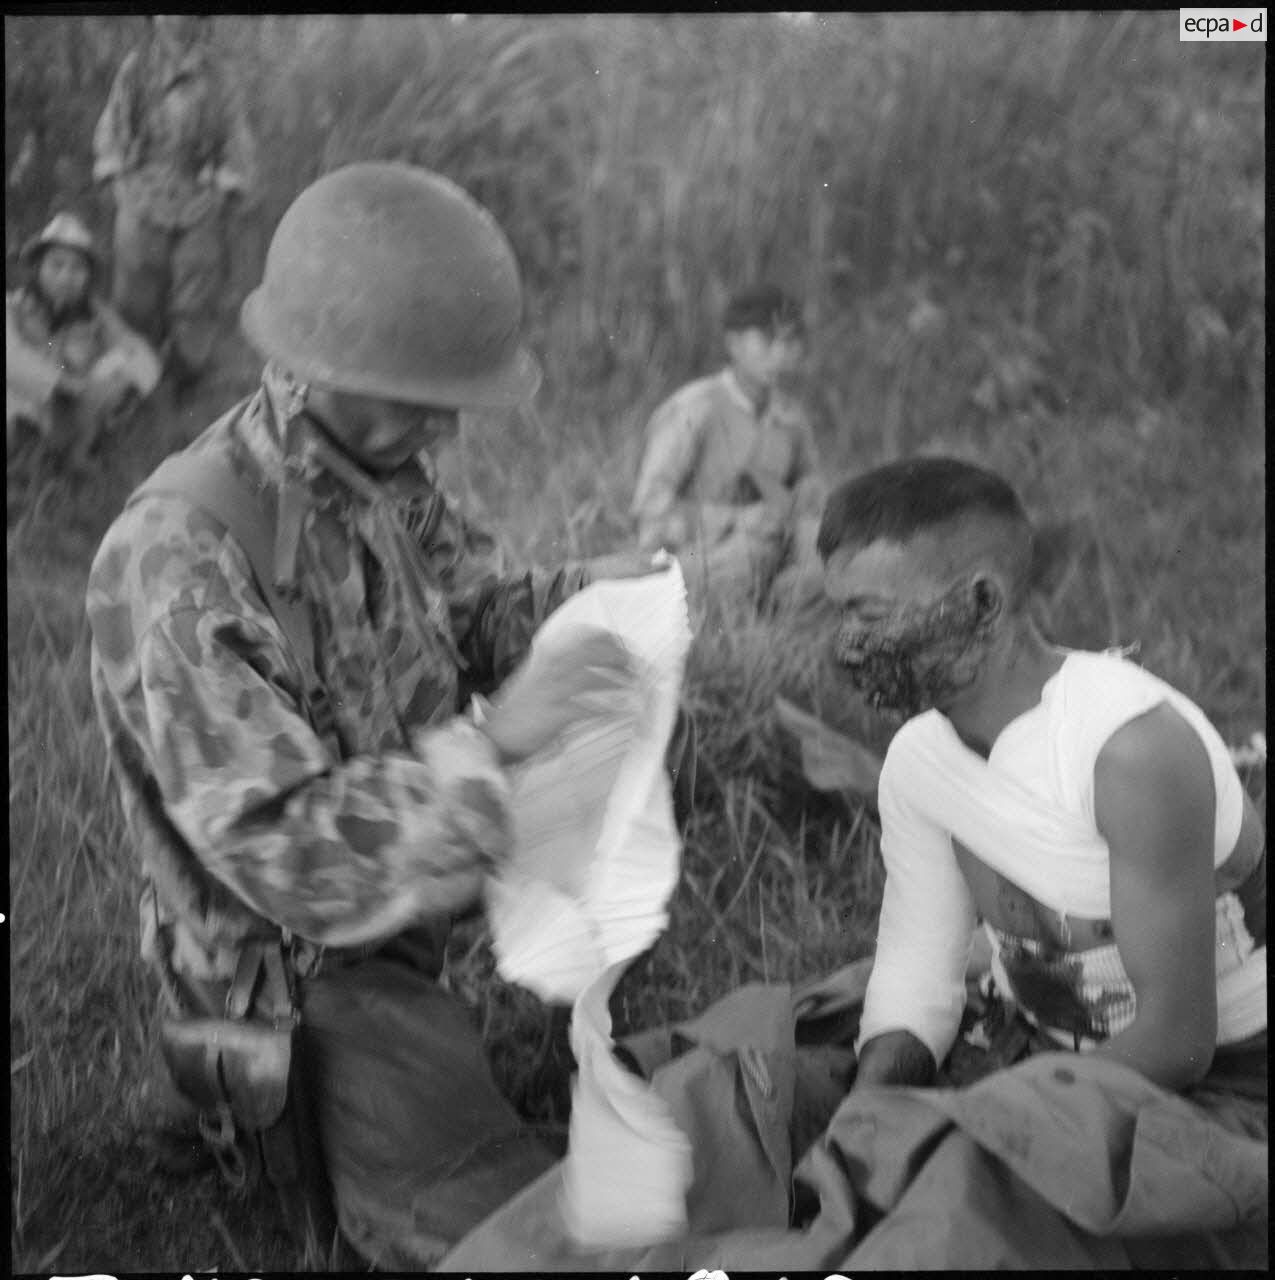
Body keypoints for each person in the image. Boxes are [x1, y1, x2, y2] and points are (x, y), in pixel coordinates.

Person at [441, 455, 1266, 1271]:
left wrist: (950, 1125)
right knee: (717, 1105)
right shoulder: (918, 760)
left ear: (981, 601)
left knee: (957, 1201)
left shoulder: (1128, 751)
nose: (845, 646)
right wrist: (866, 1116)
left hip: (1204, 1093)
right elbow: (918, 974)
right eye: (838, 614)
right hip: (1023, 1045)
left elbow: (1178, 1040)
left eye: (870, 616)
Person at [85, 161, 641, 1269]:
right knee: (528, 1240)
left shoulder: (374, 470)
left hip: (405, 917)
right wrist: (492, 741)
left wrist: (608, 601)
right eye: (422, 396)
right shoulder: (186, 555)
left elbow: (474, 602)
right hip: (295, 987)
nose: (446, 427)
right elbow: (286, 852)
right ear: (314, 363)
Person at [629, 283, 825, 607]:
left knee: (829, 558)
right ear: (733, 343)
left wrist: (807, 494)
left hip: (770, 548)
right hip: (694, 555)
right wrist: (738, 520)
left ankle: (774, 627)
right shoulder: (694, 408)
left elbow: (811, 485)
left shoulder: (791, 419)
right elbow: (649, 514)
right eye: (768, 340)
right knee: (751, 554)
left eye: (789, 342)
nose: (780, 355)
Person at [92, 15, 257, 392]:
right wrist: (116, 174)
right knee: (135, 284)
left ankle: (186, 373)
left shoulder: (218, 75)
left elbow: (236, 132)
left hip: (199, 191)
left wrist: (227, 181)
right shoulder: (137, 68)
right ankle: (134, 375)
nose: (178, 20)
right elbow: (112, 126)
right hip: (143, 187)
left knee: (197, 284)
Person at [7, 212, 161, 466]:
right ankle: (38, 451)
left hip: (75, 412)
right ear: (38, 268)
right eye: (56, 265)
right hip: (27, 405)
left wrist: (124, 387)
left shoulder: (96, 314)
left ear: (88, 277)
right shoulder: (12, 307)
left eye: (77, 268)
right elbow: (11, 358)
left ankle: (77, 450)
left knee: (121, 362)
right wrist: (64, 384)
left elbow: (139, 352)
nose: (67, 277)